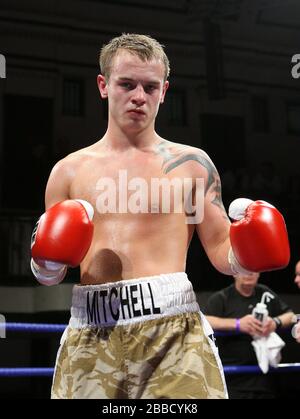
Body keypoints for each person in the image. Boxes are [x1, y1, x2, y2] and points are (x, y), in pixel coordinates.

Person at [30, 33, 290, 399]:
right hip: (93, 333)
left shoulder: (193, 166)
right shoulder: (68, 171)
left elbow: (220, 249)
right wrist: (45, 264)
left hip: (174, 333)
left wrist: (250, 249)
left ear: (164, 91)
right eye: (127, 84)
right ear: (103, 86)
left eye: (150, 87)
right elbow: (49, 272)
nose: (139, 96)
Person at [204, 273, 295, 399]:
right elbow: (204, 320)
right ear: (234, 272)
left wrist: (274, 323)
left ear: (259, 273)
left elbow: (290, 316)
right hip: (232, 380)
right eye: (244, 269)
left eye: (253, 269)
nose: (249, 273)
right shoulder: (222, 298)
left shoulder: (265, 294)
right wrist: (237, 324)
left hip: (264, 379)